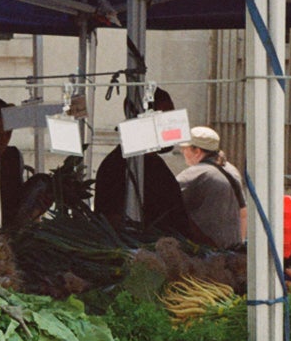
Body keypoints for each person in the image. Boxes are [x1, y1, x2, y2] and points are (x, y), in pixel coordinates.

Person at [96, 88, 208, 241]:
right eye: (166, 118)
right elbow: (111, 222)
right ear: (145, 120)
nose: (171, 126)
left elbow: (180, 217)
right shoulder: (115, 168)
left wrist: (212, 250)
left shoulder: (156, 164)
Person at [178, 126, 248, 247]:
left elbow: (161, 201)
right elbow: (243, 212)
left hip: (205, 255)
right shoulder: (232, 170)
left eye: (185, 148)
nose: (182, 152)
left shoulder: (195, 174)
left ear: (197, 151)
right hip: (231, 251)